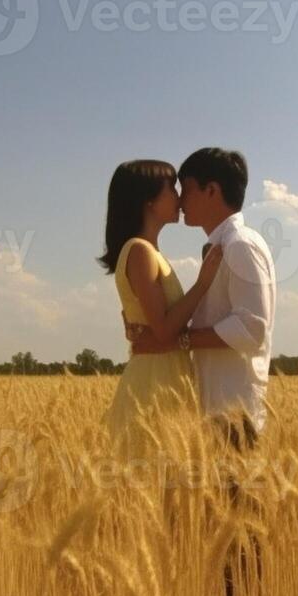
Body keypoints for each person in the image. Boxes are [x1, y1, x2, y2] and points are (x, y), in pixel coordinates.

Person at [127, 147, 277, 596]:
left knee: (239, 543)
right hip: (213, 414)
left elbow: (253, 327)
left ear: (212, 190)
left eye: (187, 188)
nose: (181, 198)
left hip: (232, 415)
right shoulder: (221, 247)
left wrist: (179, 340)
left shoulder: (241, 246)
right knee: (226, 538)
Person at [100, 159, 223, 455]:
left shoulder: (149, 252)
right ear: (149, 201)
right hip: (154, 382)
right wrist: (203, 284)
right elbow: (166, 329)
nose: (179, 196)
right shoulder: (141, 251)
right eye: (171, 188)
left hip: (163, 374)